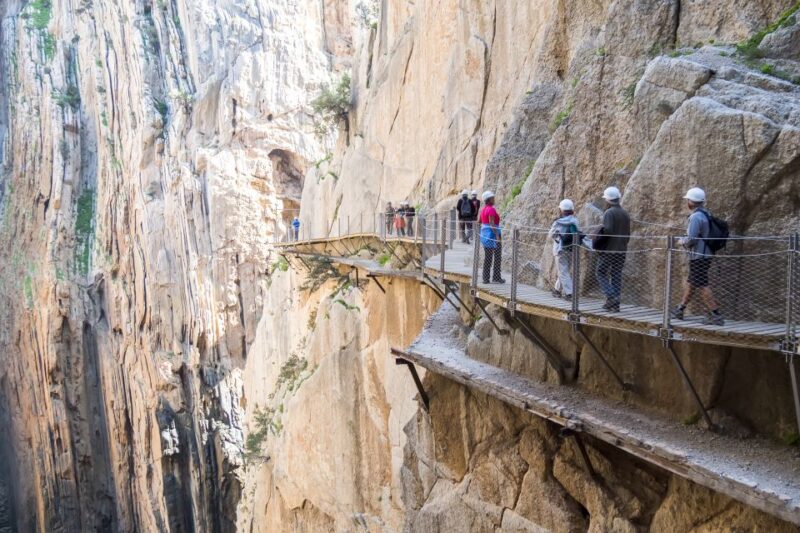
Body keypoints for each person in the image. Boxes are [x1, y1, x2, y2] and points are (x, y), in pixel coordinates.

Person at [671, 187, 724, 325]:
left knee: (702, 284)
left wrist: (681, 241)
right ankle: (680, 308)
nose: (687, 201)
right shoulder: (706, 213)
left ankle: (716, 315)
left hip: (698, 256)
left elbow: (691, 240)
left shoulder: (695, 217)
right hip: (705, 255)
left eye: (688, 199)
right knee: (692, 282)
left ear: (692, 202)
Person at [593, 186, 630, 312]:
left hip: (609, 250)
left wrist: (600, 242)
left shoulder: (609, 213)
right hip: (622, 250)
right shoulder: (625, 213)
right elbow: (628, 234)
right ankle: (614, 304)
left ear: (608, 200)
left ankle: (612, 296)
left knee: (600, 272)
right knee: (616, 274)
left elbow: (607, 230)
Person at [548, 199, 582, 300]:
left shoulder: (558, 222)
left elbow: (551, 235)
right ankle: (557, 290)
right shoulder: (575, 220)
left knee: (563, 271)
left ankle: (569, 294)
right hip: (572, 249)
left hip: (560, 249)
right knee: (564, 270)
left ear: (562, 210)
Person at [479, 191, 505, 283]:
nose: (494, 199)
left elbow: (479, 221)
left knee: (488, 257)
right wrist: (497, 235)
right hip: (493, 235)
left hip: (485, 235)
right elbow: (492, 223)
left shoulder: (483, 209)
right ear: (489, 199)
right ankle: (496, 277)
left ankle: (485, 278)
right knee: (497, 256)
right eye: (493, 198)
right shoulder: (491, 209)